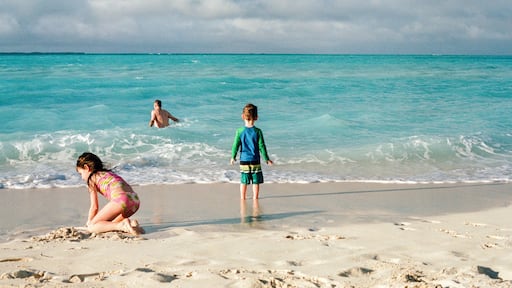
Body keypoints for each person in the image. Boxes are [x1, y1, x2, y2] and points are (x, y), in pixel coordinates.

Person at [76, 152, 142, 235]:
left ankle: (122, 225)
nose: (82, 177)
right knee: (107, 224)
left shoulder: (91, 179)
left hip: (122, 200)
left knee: (93, 226)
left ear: (86, 168)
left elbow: (94, 207)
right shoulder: (109, 174)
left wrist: (89, 223)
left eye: (81, 173)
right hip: (134, 201)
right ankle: (132, 225)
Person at [231, 103, 273, 200]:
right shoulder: (258, 131)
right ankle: (255, 198)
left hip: (244, 160)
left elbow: (235, 145)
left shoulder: (239, 131)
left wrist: (233, 157)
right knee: (255, 181)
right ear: (256, 117)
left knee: (244, 180)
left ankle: (242, 198)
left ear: (242, 116)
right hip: (255, 160)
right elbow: (262, 146)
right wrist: (267, 159)